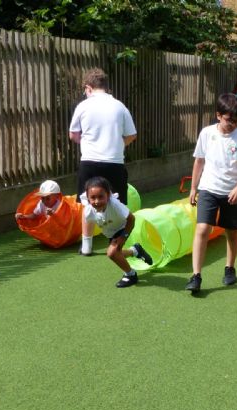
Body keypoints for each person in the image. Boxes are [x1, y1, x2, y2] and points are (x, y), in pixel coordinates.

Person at [185, 93, 237, 293]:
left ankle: (229, 268)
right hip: (208, 188)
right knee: (202, 229)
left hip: (232, 193)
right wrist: (193, 187)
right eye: (229, 120)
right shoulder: (207, 133)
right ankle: (196, 275)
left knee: (232, 232)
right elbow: (199, 161)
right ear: (218, 115)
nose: (233, 124)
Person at [69, 68, 137, 205]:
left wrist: (88, 142)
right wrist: (118, 144)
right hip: (114, 163)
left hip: (89, 163)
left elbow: (73, 135)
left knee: (85, 207)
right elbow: (131, 135)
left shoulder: (83, 106)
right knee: (117, 207)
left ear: (88, 88)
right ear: (105, 87)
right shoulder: (120, 106)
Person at [80, 176, 152, 287]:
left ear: (108, 195)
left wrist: (123, 236)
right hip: (111, 233)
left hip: (123, 227)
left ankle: (131, 275)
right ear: (88, 199)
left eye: (101, 197)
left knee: (111, 253)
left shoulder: (114, 205)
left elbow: (131, 218)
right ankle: (135, 251)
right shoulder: (88, 211)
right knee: (117, 254)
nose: (97, 201)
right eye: (93, 198)